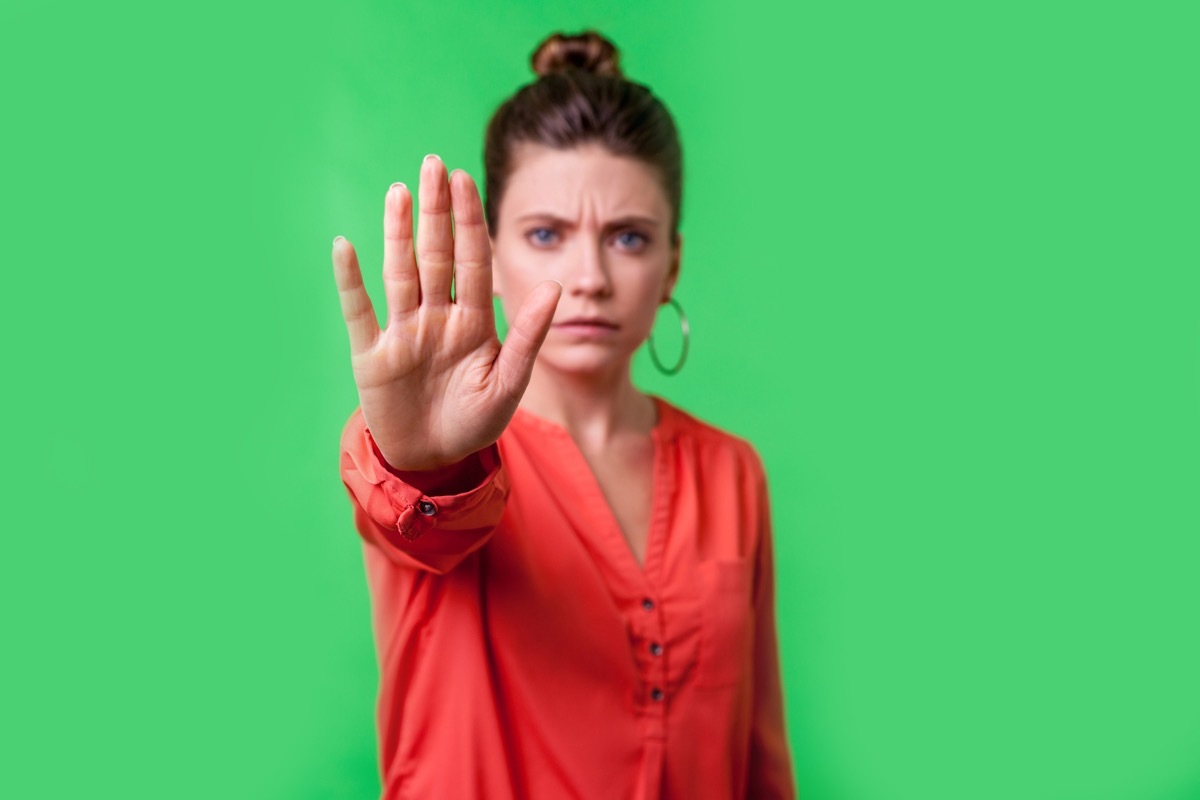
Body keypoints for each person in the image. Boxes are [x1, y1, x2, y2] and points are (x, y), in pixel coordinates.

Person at [332, 30, 796, 800]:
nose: (589, 277)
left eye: (628, 238)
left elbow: (759, 757)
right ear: (493, 254)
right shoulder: (439, 455)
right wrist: (423, 461)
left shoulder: (731, 471)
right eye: (546, 234)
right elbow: (420, 512)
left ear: (671, 263)